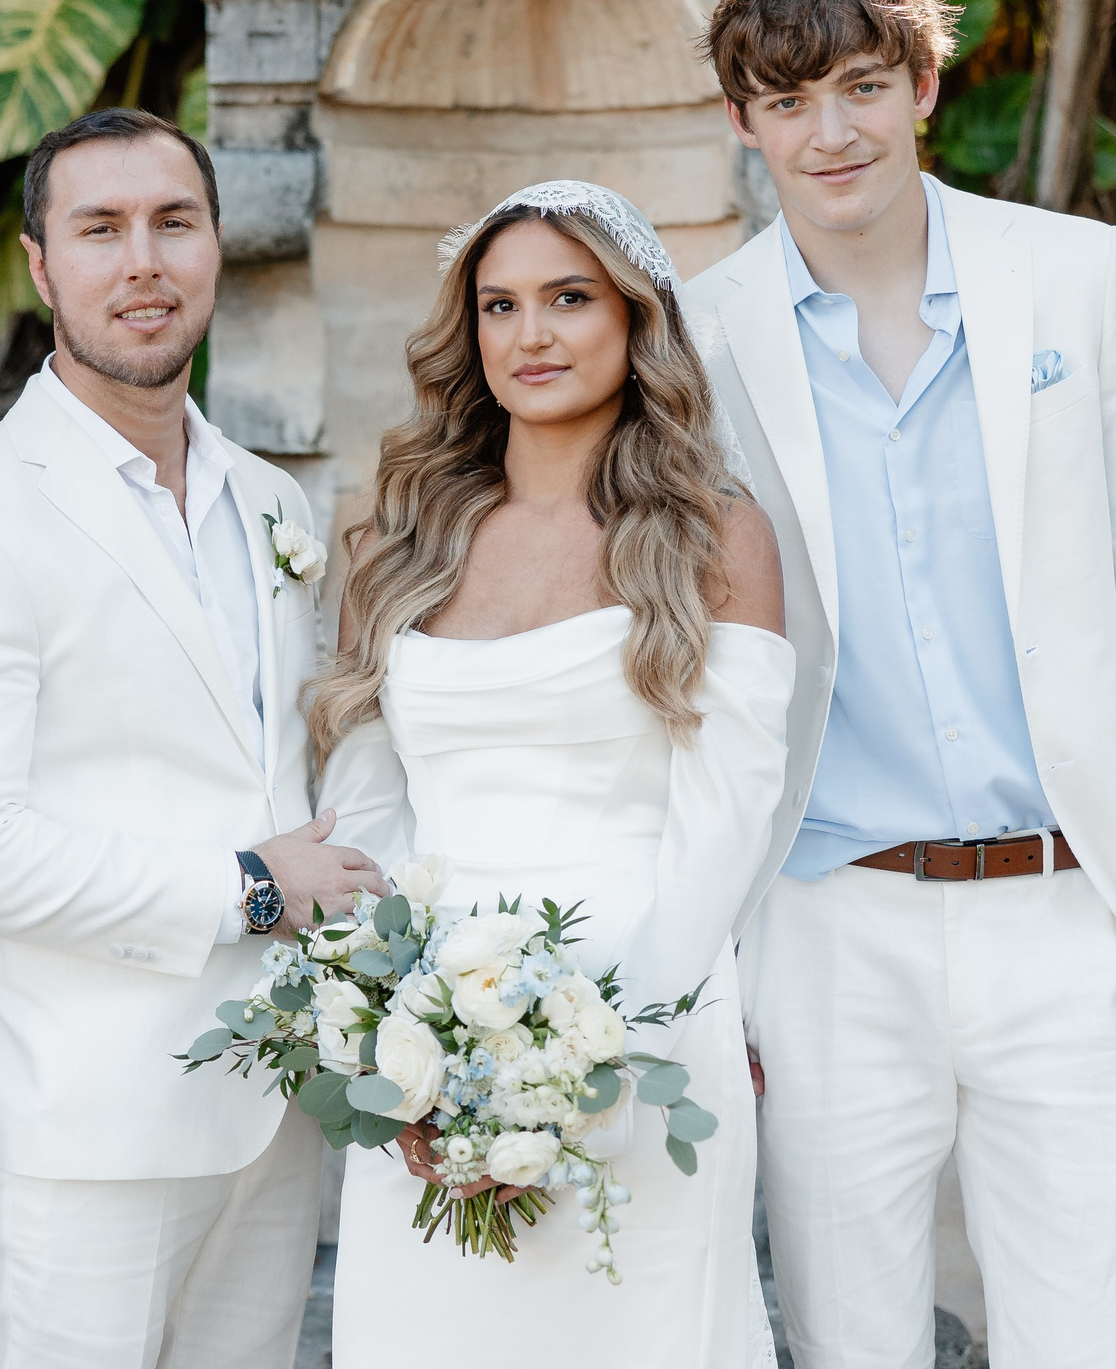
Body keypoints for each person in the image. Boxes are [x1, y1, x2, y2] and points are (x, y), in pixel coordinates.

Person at [681, 0, 1116, 1368]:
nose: (832, 132)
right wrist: (713, 956)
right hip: (823, 918)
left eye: (863, 86)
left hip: (1066, 908)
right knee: (846, 1331)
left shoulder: (1076, 276)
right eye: (790, 101)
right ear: (742, 120)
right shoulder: (697, 334)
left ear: (923, 87)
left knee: (1085, 1333)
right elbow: (687, 665)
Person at [0, 107, 377, 1369]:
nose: (142, 261)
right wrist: (252, 889)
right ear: (42, 267)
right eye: (101, 229)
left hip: (271, 1106)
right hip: (78, 1123)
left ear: (214, 248)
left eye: (173, 224)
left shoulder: (269, 501)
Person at [316, 181, 794, 1367]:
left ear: (635, 321)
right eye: (499, 305)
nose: (529, 336)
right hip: (426, 1038)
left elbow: (729, 815)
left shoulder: (710, 533)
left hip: (644, 1007)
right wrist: (389, 1034)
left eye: (568, 299)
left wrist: (595, 1053)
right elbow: (367, 807)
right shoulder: (399, 535)